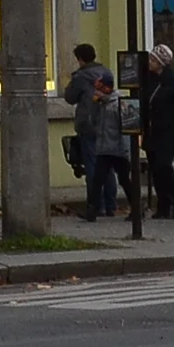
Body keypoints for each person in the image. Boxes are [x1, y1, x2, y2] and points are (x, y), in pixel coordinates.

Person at [62, 44, 121, 218]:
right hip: (106, 124)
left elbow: (70, 98)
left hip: (88, 125)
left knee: (92, 166)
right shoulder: (106, 73)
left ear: (80, 59)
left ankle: (96, 205)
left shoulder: (81, 77)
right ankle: (111, 205)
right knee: (108, 166)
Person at [137, 44, 174, 221]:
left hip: (169, 131)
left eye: (153, 60)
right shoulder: (149, 79)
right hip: (152, 131)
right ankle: (163, 204)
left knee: (163, 165)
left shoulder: (172, 80)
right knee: (155, 169)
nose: (150, 63)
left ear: (161, 63)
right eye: (150, 59)